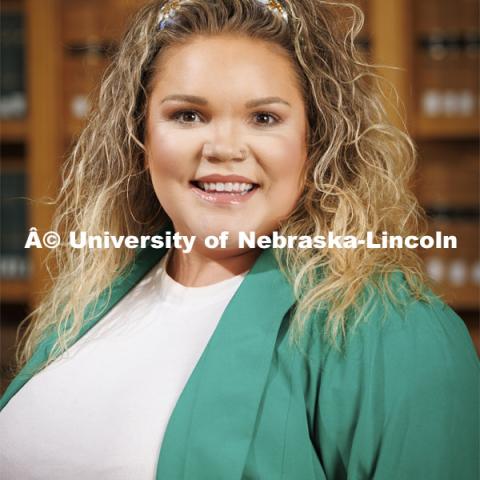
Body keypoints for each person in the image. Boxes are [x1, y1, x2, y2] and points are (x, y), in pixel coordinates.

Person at [0, 0, 478, 478]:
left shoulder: (394, 333)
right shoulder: (87, 305)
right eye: (188, 115)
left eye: (264, 118)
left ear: (317, 144)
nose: (224, 148)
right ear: (140, 137)